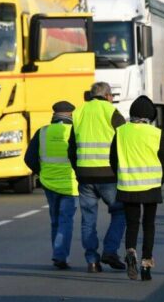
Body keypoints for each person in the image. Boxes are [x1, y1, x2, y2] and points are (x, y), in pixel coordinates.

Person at [109, 96, 164, 281]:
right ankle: (146, 264)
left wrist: (121, 176)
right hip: (151, 186)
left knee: (132, 223)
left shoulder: (120, 132)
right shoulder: (156, 133)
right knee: (149, 224)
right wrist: (159, 181)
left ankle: (130, 252)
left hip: (128, 186)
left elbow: (113, 159)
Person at [68, 82, 127, 273]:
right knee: (120, 212)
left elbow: (71, 147)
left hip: (85, 174)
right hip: (108, 175)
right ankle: (110, 250)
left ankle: (92, 261)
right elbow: (124, 139)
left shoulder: (78, 112)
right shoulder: (111, 111)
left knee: (88, 219)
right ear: (108, 96)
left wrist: (78, 170)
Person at [24, 101, 78, 270]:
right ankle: (60, 255)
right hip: (71, 184)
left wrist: (41, 172)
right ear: (70, 115)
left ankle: (57, 253)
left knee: (55, 220)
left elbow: (29, 158)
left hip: (48, 183)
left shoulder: (43, 132)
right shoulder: (74, 132)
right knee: (66, 220)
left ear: (54, 115)